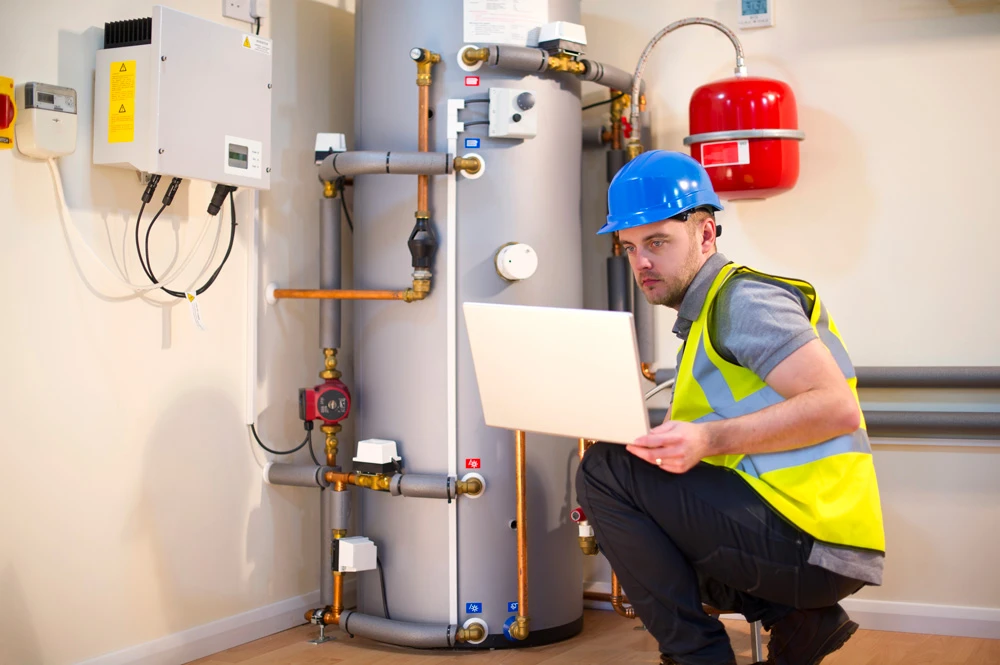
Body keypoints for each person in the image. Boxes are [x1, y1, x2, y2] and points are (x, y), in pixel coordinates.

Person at [576, 151, 885, 665]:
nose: (641, 263)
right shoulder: (703, 318)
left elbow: (835, 408)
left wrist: (707, 440)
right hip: (801, 536)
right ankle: (798, 619)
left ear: (705, 234)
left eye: (656, 242)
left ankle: (698, 657)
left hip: (813, 541)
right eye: (628, 247)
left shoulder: (742, 300)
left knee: (606, 470)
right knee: (638, 507)